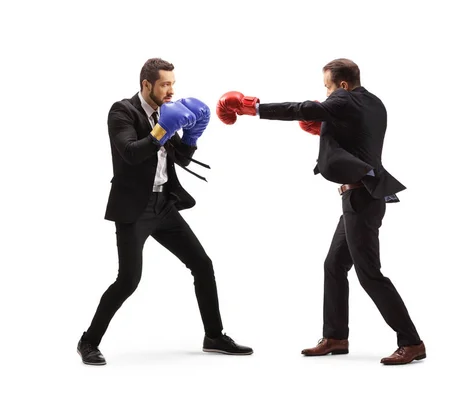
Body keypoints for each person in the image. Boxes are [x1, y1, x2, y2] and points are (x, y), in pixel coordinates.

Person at [215, 58, 425, 365]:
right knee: (334, 265)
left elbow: (300, 109)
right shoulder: (374, 103)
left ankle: (412, 342)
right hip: (363, 198)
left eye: (327, 87)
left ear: (341, 84)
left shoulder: (342, 99)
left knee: (370, 274)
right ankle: (336, 337)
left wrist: (252, 108)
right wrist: (329, 131)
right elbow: (357, 136)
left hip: (360, 200)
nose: (325, 94)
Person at [77, 57, 252, 366]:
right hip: (135, 209)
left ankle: (214, 336)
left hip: (164, 205)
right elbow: (131, 153)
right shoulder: (122, 111)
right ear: (147, 85)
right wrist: (161, 130)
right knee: (128, 280)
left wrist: (193, 135)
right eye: (164, 84)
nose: (171, 91)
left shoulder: (165, 111)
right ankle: (88, 341)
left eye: (173, 84)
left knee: (202, 264)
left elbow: (181, 159)